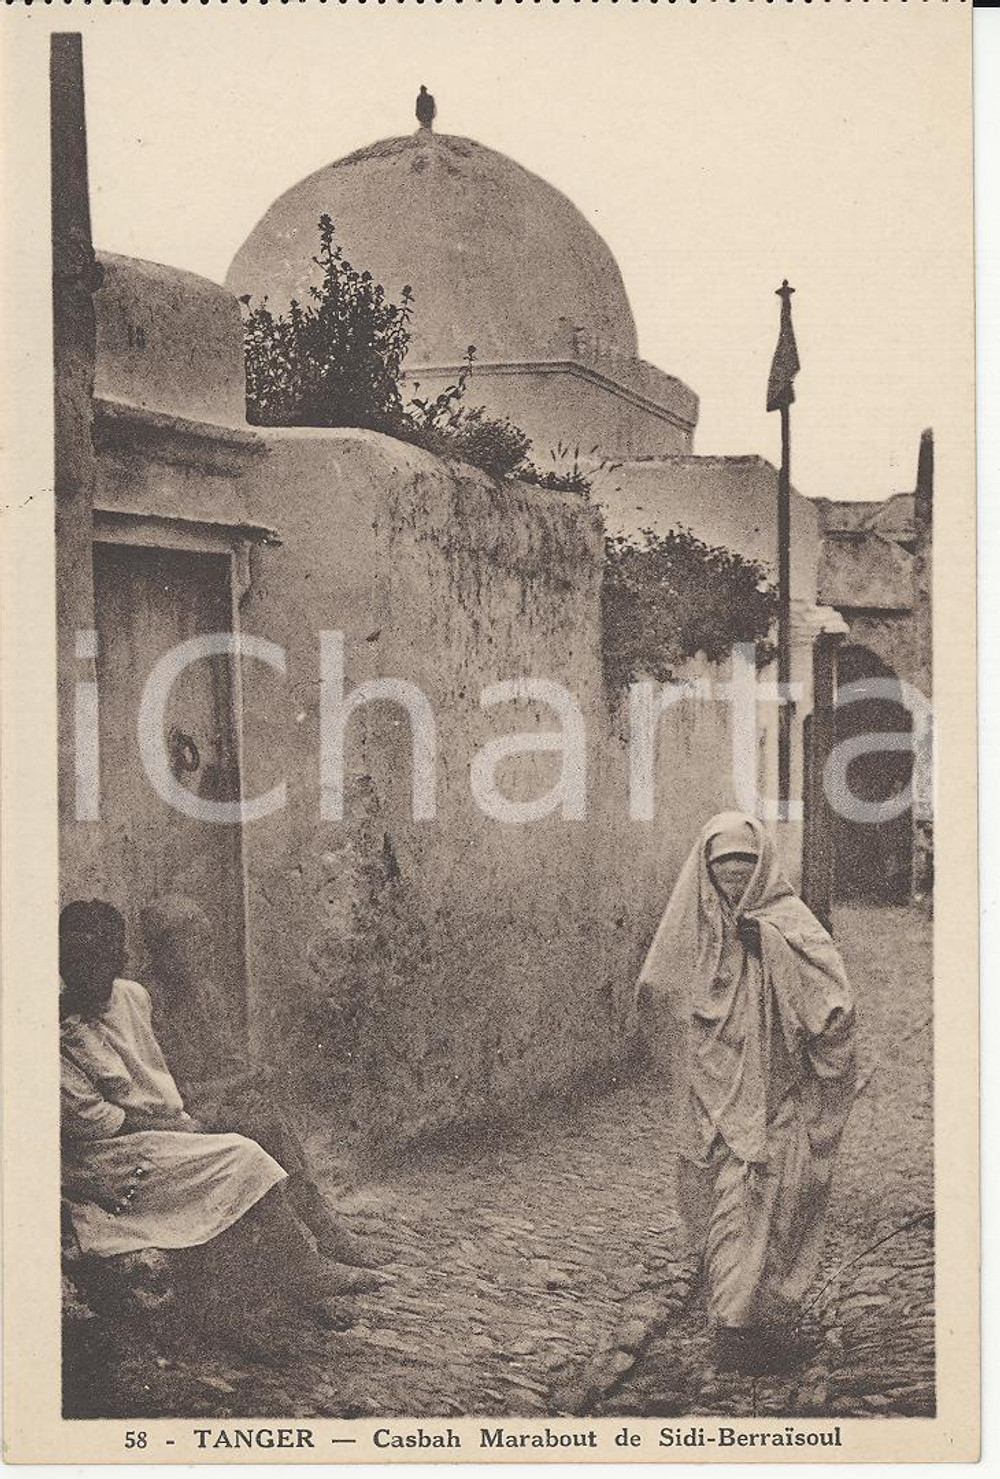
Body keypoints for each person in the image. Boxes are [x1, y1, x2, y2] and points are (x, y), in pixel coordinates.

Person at [59, 900, 368, 1342]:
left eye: (99, 959)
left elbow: (164, 1073)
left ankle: (305, 1267)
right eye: (73, 960)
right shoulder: (56, 1026)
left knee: (257, 1130)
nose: (85, 972)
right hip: (112, 1153)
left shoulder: (133, 996)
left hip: (165, 1122)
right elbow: (94, 1122)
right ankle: (298, 1271)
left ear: (120, 958)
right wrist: (183, 1122)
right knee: (241, 1152)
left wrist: (197, 1108)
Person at [635, 812, 856, 1376]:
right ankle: (735, 1322)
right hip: (710, 1092)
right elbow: (661, 993)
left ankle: (742, 1327)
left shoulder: (788, 922)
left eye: (744, 874)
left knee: (765, 1199)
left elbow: (832, 1002)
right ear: (706, 875)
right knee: (717, 1197)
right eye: (724, 875)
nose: (734, 886)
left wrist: (773, 951)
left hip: (774, 1089)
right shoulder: (695, 925)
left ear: (762, 871)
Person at [139, 894, 387, 1272]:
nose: (204, 954)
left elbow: (226, 1057)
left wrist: (251, 1079)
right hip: (175, 1114)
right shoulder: (145, 1003)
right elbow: (168, 1089)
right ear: (163, 952)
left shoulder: (205, 994)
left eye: (206, 943)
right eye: (192, 944)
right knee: (265, 1126)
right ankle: (316, 1237)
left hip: (212, 1100)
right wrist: (239, 1083)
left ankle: (318, 1227)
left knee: (268, 1115)